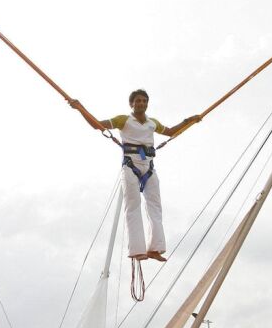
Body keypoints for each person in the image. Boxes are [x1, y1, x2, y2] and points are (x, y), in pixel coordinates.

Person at [70, 89, 200, 262]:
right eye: (138, 101)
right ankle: (137, 250)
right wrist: (81, 108)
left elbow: (170, 132)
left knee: (155, 206)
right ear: (131, 104)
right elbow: (97, 124)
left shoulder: (152, 123)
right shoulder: (123, 120)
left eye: (144, 101)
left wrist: (189, 121)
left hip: (149, 167)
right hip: (130, 166)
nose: (141, 103)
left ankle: (155, 248)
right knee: (133, 206)